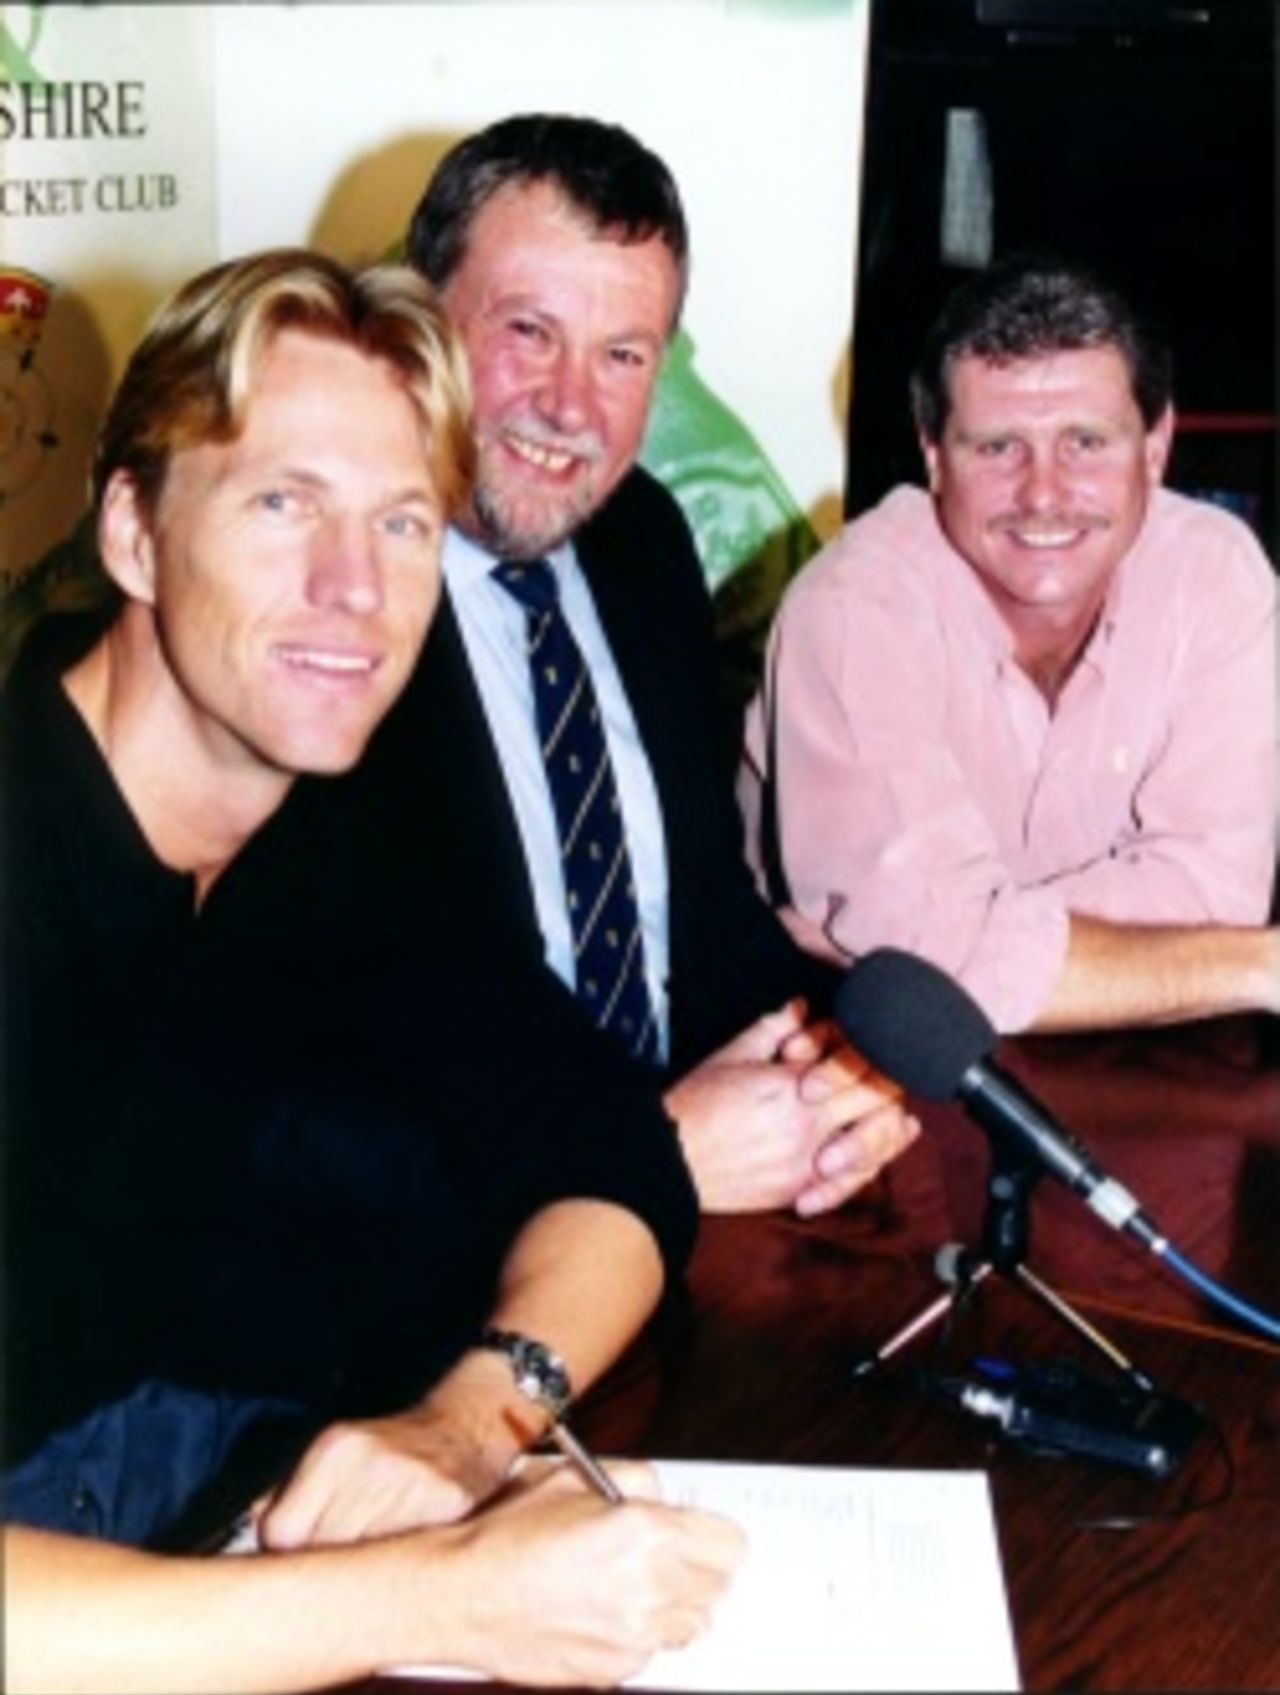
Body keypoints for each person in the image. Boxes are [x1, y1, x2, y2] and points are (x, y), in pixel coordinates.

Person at [3, 248, 742, 1689]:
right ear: (134, 534)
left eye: (406, 523)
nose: (356, 589)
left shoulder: (336, 817)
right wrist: (435, 1599)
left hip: (192, 1525)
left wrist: (473, 1419)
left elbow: (610, 1152)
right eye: (285, 503)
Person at [316, 111, 918, 1223]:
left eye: (622, 355)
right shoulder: (321, 595)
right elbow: (346, 1038)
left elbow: (695, 908)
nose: (570, 406)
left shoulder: (639, 537)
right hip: (449, 1248)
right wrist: (642, 1157)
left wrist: (828, 1069)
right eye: (529, 332)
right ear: (414, 320)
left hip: (694, 1211)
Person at [741, 252, 1279, 1034]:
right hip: (848, 1066)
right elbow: (926, 976)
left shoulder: (1217, 574)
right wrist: (1256, 964)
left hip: (1146, 1059)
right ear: (933, 452)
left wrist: (971, 932)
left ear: (1156, 445)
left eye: (1086, 442)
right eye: (997, 447)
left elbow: (1218, 894)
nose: (1044, 494)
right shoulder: (852, 611)